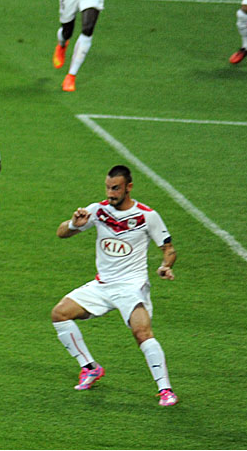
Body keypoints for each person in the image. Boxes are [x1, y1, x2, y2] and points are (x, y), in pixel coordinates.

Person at [51, 165, 178, 407]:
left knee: (142, 333)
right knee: (59, 314)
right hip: (102, 285)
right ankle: (90, 367)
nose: (111, 193)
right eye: (108, 188)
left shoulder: (146, 216)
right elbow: (60, 233)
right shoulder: (98, 210)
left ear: (128, 187)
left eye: (116, 188)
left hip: (131, 286)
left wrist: (165, 266)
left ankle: (165, 390)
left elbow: (168, 249)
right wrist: (75, 225)